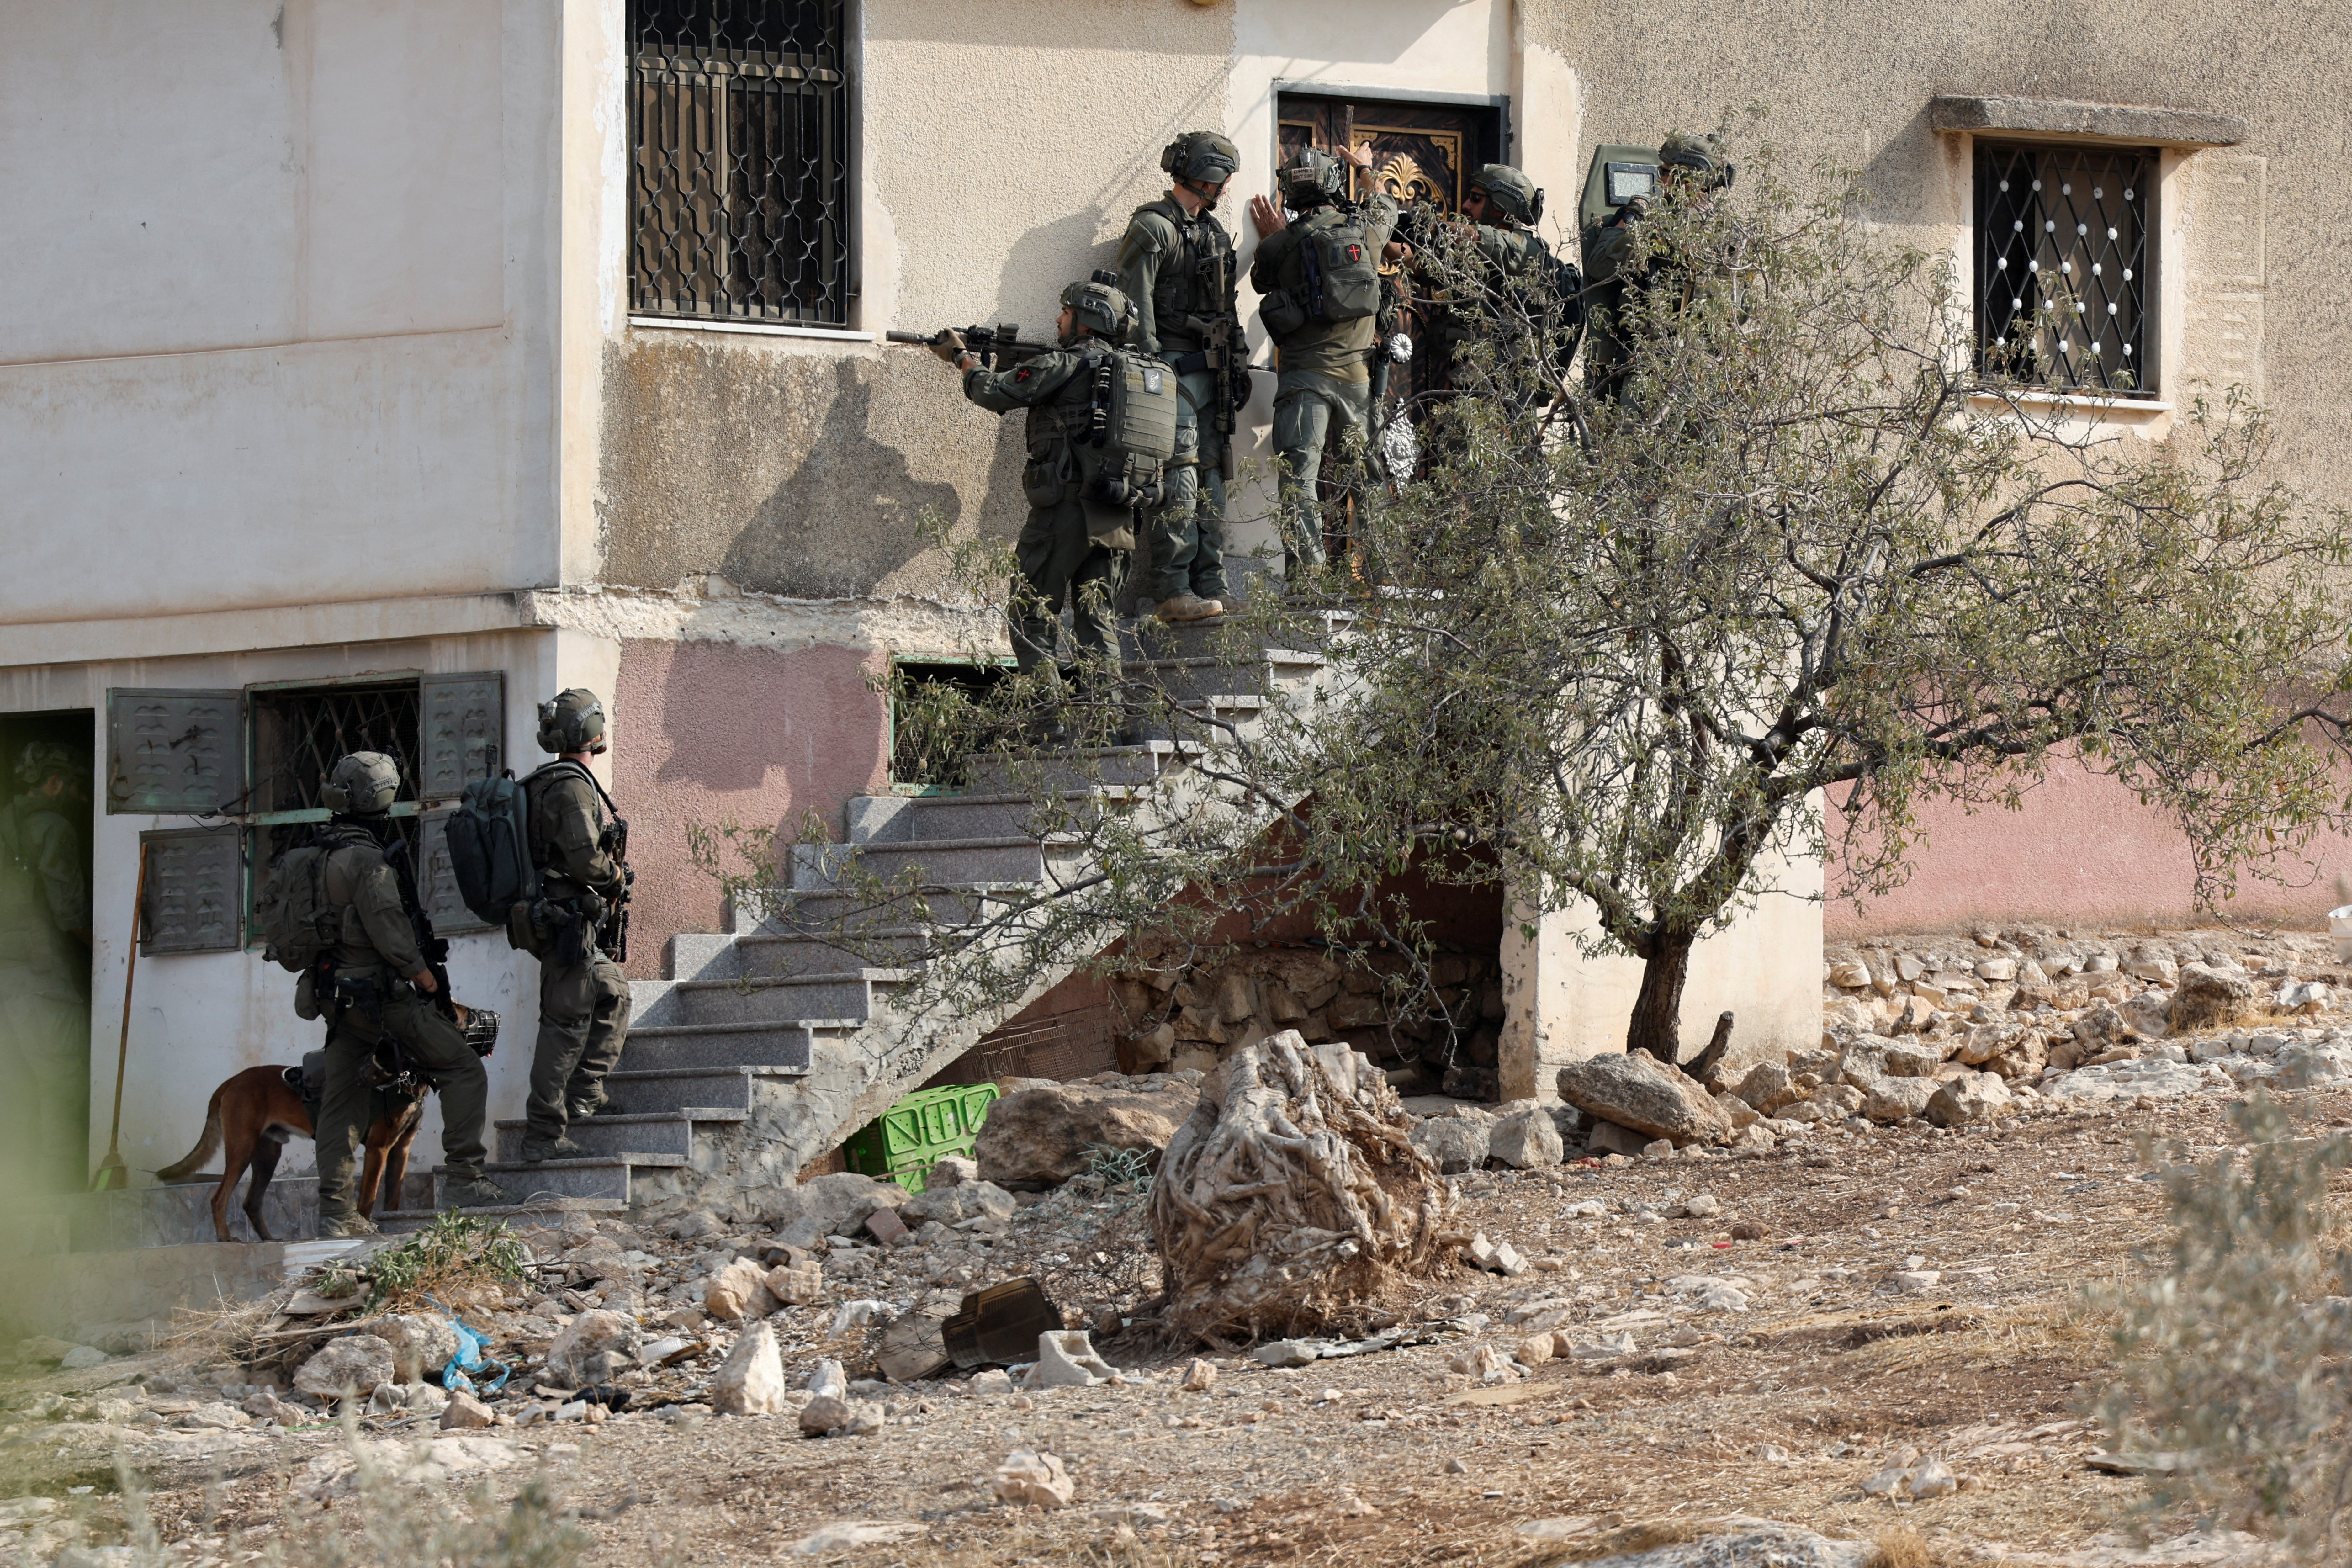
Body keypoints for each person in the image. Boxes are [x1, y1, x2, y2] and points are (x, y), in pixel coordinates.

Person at [932, 277, 1157, 740]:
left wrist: (960, 358)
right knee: (1097, 621)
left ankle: (1049, 722)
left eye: (1065, 311)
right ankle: (1107, 725)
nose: (1057, 319)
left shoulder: (1064, 364)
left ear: (1085, 318)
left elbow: (992, 392)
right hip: (1115, 511)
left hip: (1065, 512)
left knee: (1029, 613)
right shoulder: (1133, 371)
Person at [310, 752, 505, 1234]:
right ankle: (464, 1179)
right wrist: (427, 980)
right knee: (462, 1069)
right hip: (384, 999)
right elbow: (392, 934)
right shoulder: (368, 861)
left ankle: (336, 1214)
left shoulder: (314, 855)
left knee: (340, 1101)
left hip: (337, 998)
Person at [1247, 143, 1396, 573]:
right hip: (1358, 380)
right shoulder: (1365, 230)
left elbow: (1261, 280)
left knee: (1300, 480)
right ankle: (1380, 579)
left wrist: (1276, 234)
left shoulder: (1280, 245)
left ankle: (1308, 584)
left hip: (1303, 381)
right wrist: (1366, 170)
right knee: (1368, 478)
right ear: (1334, 184)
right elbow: (1387, 203)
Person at [1117, 130, 1242, 624]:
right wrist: (1150, 372)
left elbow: (1226, 307)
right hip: (1170, 375)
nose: (1227, 188)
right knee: (1182, 478)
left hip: (1212, 374)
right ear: (1208, 176)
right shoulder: (1154, 228)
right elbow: (1135, 310)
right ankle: (1172, 588)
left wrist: (1237, 358)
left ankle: (1210, 583)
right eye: (1225, 178)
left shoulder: (1210, 233)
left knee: (1214, 478)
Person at [514, 690, 633, 1162]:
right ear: (592, 732)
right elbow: (585, 858)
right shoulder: (570, 786)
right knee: (563, 1028)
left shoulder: (547, 782)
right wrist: (617, 877)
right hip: (565, 922)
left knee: (614, 992)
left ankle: (586, 1094)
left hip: (566, 920)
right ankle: (543, 1135)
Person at [0, 742, 91, 1192]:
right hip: (39, 980)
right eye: (73, 786)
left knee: (12, 1094)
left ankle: (18, 1201)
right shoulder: (53, 827)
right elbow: (69, 913)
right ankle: (59, 1196)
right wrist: (101, 950)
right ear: (54, 783)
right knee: (60, 1083)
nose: (77, 797)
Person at [1584, 131, 1735, 400]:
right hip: (1710, 372)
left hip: (1655, 367)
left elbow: (1600, 266)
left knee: (1633, 440)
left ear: (1686, 177)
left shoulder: (1659, 227)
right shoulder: (1732, 234)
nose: (1660, 179)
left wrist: (1632, 216)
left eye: (1665, 171)